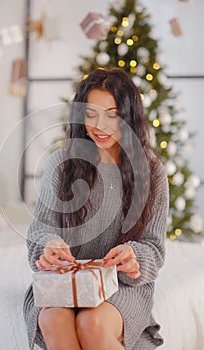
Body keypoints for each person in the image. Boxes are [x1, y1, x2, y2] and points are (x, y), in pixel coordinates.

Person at [23, 68, 169, 350]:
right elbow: (40, 235)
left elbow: (154, 248)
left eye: (111, 115)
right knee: (53, 319)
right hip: (64, 282)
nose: (99, 125)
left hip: (120, 286)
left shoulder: (151, 173)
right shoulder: (61, 164)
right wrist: (48, 249)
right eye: (91, 114)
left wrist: (133, 256)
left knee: (92, 324)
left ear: (127, 116)